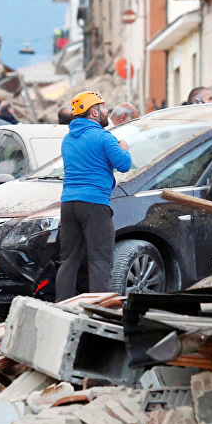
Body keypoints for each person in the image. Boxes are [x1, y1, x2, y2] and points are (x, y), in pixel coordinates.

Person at [55, 91, 131, 302]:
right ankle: (100, 308)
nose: (107, 112)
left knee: (68, 260)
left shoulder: (68, 139)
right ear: (94, 111)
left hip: (68, 203)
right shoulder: (103, 137)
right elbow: (123, 164)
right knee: (100, 260)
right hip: (94, 203)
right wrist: (124, 147)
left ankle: (62, 306)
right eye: (104, 108)